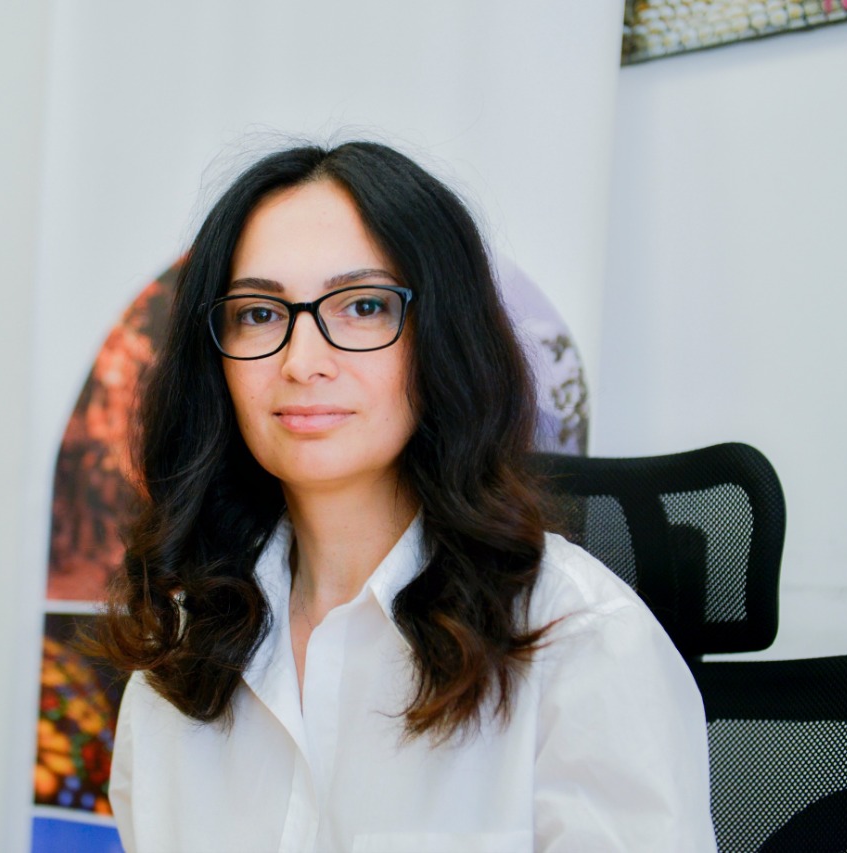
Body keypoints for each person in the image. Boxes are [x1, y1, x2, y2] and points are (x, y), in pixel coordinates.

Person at [95, 141, 717, 852]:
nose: (302, 362)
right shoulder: (178, 662)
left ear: (443, 337)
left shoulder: (579, 642)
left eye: (363, 306)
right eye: (260, 314)